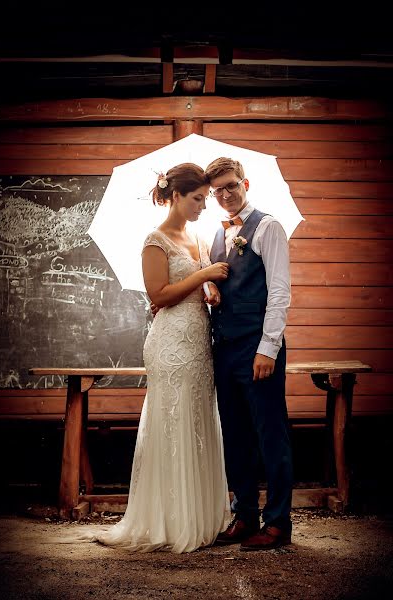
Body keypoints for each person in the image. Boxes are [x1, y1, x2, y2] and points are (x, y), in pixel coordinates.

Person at [85, 163, 231, 553]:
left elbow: (193, 287)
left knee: (198, 420)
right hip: (170, 343)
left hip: (198, 340)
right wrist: (204, 277)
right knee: (173, 420)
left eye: (206, 198)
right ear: (176, 196)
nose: (204, 205)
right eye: (198, 198)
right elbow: (159, 296)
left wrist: (209, 290)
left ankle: (200, 516)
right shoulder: (156, 240)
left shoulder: (198, 237)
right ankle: (170, 520)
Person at [205, 156, 294, 551]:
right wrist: (212, 294)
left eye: (231, 186)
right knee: (236, 435)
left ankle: (277, 523)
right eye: (217, 190)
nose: (225, 195)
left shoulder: (269, 226)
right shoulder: (217, 234)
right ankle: (245, 516)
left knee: (270, 435)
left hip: (258, 350)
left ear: (246, 183)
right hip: (224, 349)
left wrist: (268, 348)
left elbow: (279, 292)